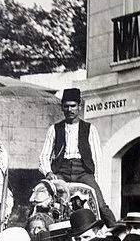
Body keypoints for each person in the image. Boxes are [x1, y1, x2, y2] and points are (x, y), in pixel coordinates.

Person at [39, 88, 115, 225]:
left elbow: (97, 159)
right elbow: (44, 156)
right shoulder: (54, 129)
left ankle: (115, 233)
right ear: (62, 107)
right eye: (66, 106)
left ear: (79, 107)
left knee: (100, 204)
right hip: (61, 172)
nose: (70, 110)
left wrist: (97, 183)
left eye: (73, 106)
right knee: (48, 203)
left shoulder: (90, 129)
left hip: (83, 172)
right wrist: (49, 172)